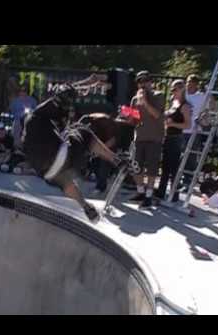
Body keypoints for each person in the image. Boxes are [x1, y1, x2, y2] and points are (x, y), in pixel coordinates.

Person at [22, 76, 124, 222]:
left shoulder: (34, 125)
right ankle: (117, 161)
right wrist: (87, 84)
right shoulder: (47, 110)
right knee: (84, 132)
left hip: (46, 172)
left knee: (65, 182)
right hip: (59, 156)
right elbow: (65, 93)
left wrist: (86, 84)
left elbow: (66, 93)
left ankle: (86, 207)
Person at [128, 71, 166, 208]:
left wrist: (145, 102)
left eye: (145, 81)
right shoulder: (134, 99)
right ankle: (140, 192)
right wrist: (127, 113)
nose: (142, 84)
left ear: (150, 82)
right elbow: (133, 120)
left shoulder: (158, 96)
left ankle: (149, 196)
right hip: (140, 137)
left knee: (151, 169)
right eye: (139, 81)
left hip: (154, 137)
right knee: (136, 167)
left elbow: (157, 115)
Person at [156, 80, 192, 203]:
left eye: (175, 89)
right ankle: (161, 191)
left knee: (174, 167)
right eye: (172, 89)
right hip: (168, 136)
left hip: (176, 138)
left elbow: (188, 125)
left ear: (182, 89)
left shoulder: (185, 106)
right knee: (165, 166)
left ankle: (174, 194)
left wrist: (173, 124)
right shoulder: (173, 102)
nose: (172, 92)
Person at [10, 85, 38, 149]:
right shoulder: (15, 101)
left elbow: (36, 109)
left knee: (28, 137)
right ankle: (17, 150)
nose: (23, 92)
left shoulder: (32, 100)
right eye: (21, 91)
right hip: (18, 122)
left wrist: (30, 111)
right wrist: (21, 113)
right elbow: (12, 112)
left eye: (24, 91)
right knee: (17, 137)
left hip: (29, 122)